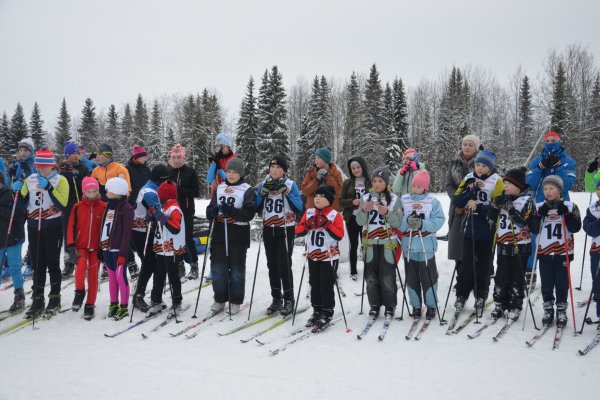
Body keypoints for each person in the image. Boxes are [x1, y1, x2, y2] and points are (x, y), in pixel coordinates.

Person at [17, 146, 70, 319]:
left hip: (52, 226)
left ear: (52, 166)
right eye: (38, 166)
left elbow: (63, 203)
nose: (40, 169)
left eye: (44, 166)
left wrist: (49, 188)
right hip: (33, 225)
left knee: (52, 263)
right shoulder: (30, 180)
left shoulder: (60, 180)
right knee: (37, 263)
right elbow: (21, 203)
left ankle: (54, 297)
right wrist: (16, 192)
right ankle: (37, 299)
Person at [452, 150, 503, 316]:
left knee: (484, 266)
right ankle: (461, 295)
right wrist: (469, 191)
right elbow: (457, 200)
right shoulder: (468, 178)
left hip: (488, 231)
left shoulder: (497, 181)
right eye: (478, 165)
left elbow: (498, 207)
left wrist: (480, 207)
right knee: (465, 264)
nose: (480, 168)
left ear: (490, 167)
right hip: (470, 228)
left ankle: (481, 296)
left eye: (484, 165)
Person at [206, 158, 255, 315]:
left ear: (240, 174)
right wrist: (212, 212)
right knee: (218, 268)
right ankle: (220, 299)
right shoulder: (220, 187)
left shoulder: (247, 189)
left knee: (236, 270)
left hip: (238, 235)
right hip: (220, 233)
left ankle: (235, 300)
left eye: (235, 172)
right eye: (229, 171)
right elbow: (211, 207)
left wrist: (232, 211)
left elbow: (249, 213)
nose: (231, 175)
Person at [255, 156, 303, 316]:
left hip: (285, 229)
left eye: (277, 167)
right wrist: (262, 193)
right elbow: (256, 206)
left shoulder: (290, 184)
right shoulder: (264, 183)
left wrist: (286, 192)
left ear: (284, 170)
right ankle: (276, 298)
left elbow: (298, 207)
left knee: (284, 264)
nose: (274, 170)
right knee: (272, 265)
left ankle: (289, 299)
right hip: (269, 228)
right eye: (272, 167)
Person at [526, 131, 576, 283]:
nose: (550, 142)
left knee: (559, 236)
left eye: (553, 140)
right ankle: (530, 272)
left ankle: (560, 270)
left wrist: (558, 167)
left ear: (560, 141)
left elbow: (567, 185)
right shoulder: (536, 160)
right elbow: (530, 184)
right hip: (541, 203)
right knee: (535, 236)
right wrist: (540, 168)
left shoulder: (568, 160)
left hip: (561, 204)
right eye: (547, 140)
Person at [487, 168, 537, 321]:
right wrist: (495, 207)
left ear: (519, 186)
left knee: (517, 276)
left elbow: (523, 222)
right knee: (501, 276)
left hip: (520, 245)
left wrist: (510, 208)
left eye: (509, 183)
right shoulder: (502, 198)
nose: (505, 186)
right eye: (504, 183)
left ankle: (515, 305)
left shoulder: (527, 201)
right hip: (503, 244)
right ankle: (500, 304)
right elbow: (490, 220)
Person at [533, 175, 581, 328]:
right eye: (545, 188)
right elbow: (533, 228)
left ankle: (561, 309)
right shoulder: (539, 205)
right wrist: (539, 214)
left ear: (560, 190)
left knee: (561, 283)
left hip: (562, 251)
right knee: (546, 283)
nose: (548, 191)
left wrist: (566, 214)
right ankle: (548, 309)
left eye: (552, 188)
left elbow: (575, 227)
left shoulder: (570, 205)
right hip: (544, 251)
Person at [295, 185, 345, 330]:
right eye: (316, 196)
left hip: (328, 257)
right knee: (314, 283)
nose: (317, 198)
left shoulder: (335, 215)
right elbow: (298, 230)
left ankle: (327, 312)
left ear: (329, 200)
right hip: (313, 256)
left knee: (326, 285)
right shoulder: (309, 212)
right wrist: (307, 226)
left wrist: (327, 225)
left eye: (321, 196)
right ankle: (317, 310)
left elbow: (339, 235)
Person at [355, 166, 403, 318]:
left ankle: (390, 305)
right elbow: (359, 221)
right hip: (369, 242)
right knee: (370, 276)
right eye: (374, 180)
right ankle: (374, 304)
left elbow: (397, 223)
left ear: (387, 183)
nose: (376, 184)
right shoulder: (366, 198)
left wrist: (387, 213)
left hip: (387, 242)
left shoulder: (394, 199)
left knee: (387, 276)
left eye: (380, 181)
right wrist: (364, 210)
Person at [399, 171, 445, 320]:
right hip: (409, 246)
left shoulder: (432, 201)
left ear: (425, 188)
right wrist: (407, 222)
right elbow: (398, 222)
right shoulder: (404, 200)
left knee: (429, 278)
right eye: (413, 185)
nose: (414, 189)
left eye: (418, 186)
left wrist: (422, 224)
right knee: (412, 278)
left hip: (426, 247)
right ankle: (416, 306)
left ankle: (431, 305)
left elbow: (439, 220)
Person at [131, 164, 170, 312]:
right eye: (165, 180)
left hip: (149, 230)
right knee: (148, 264)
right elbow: (157, 214)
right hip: (141, 232)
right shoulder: (149, 192)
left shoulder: (154, 187)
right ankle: (138, 296)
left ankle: (154, 297)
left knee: (153, 264)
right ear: (159, 179)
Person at [66, 177, 106, 320]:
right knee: (80, 269)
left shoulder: (103, 206)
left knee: (93, 276)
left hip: (96, 248)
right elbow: (71, 226)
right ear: (84, 191)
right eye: (89, 191)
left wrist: (104, 247)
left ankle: (90, 304)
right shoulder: (77, 207)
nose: (91, 193)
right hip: (80, 246)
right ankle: (79, 291)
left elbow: (107, 229)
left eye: (94, 191)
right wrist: (70, 244)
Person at [147, 180, 186, 318]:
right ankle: (156, 301)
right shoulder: (164, 207)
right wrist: (152, 217)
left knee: (173, 275)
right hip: (162, 248)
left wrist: (162, 218)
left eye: (160, 195)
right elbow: (159, 224)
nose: (159, 198)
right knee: (158, 275)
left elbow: (175, 228)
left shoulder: (174, 209)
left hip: (173, 248)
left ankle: (177, 302)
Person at [446, 135, 481, 274]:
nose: (467, 147)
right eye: (465, 144)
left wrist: (469, 200)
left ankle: (475, 274)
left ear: (476, 148)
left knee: (473, 241)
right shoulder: (454, 162)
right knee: (457, 241)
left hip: (475, 205)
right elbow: (449, 184)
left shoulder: (481, 162)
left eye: (470, 145)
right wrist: (457, 200)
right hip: (457, 207)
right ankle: (460, 273)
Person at [101, 177, 134, 321]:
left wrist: (123, 252)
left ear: (117, 191)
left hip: (118, 250)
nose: (106, 192)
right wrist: (100, 246)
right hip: (106, 249)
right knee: (112, 279)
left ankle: (124, 306)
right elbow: (104, 226)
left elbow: (127, 233)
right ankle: (113, 304)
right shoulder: (109, 205)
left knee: (121, 278)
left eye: (109, 190)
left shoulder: (126, 209)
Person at [168, 144, 200, 279]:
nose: (176, 160)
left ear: (183, 157)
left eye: (179, 157)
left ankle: (193, 265)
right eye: (174, 157)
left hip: (186, 210)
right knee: (175, 238)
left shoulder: (190, 172)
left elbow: (196, 192)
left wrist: (179, 189)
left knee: (187, 238)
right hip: (171, 211)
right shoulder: (168, 171)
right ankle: (179, 265)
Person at [59, 141, 90, 279]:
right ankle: (69, 263)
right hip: (67, 207)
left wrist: (76, 176)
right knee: (68, 234)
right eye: (73, 154)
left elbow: (87, 186)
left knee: (84, 232)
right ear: (67, 155)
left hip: (81, 205)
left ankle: (86, 260)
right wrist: (65, 174)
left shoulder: (83, 168)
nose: (76, 156)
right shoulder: (62, 169)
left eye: (78, 153)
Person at [340, 156, 370, 280]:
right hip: (352, 217)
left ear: (363, 167)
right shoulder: (348, 182)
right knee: (353, 244)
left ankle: (368, 270)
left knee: (366, 245)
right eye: (353, 168)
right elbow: (341, 201)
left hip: (367, 218)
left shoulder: (370, 181)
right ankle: (353, 270)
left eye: (358, 167)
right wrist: (352, 202)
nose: (356, 170)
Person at [0, 170, 26, 313]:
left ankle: (19, 296)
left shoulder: (11, 194)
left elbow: (18, 216)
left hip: (13, 238)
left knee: (14, 267)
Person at [125, 145, 151, 279]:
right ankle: (131, 263)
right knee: (129, 237)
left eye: (145, 156)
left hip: (145, 206)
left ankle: (145, 260)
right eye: (142, 156)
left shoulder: (147, 169)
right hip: (131, 205)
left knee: (142, 236)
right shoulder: (127, 169)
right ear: (136, 157)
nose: (144, 158)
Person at [582, 179, 600, 336]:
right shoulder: (593, 209)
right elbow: (589, 229)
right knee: (598, 282)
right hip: (597, 251)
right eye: (599, 188)